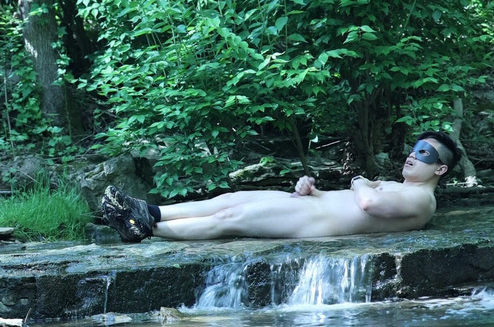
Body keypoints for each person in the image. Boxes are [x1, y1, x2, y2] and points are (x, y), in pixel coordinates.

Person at [101, 131, 462, 243]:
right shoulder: (398, 186)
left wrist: (357, 180)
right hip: (308, 206)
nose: (412, 156)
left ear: (440, 169)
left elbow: (367, 205)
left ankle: (146, 229)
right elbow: (353, 200)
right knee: (230, 197)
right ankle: (148, 211)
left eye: (424, 153)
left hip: (311, 225)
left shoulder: (422, 201)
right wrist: (312, 189)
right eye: (415, 149)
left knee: (232, 216)